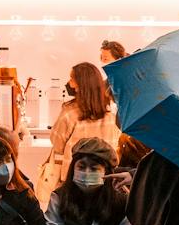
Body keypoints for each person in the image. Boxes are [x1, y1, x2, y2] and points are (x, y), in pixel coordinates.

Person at [36, 62, 123, 203]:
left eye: (71, 79)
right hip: (103, 177)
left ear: (80, 84)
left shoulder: (69, 114)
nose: (69, 83)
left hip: (73, 176)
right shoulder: (111, 115)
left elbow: (57, 143)